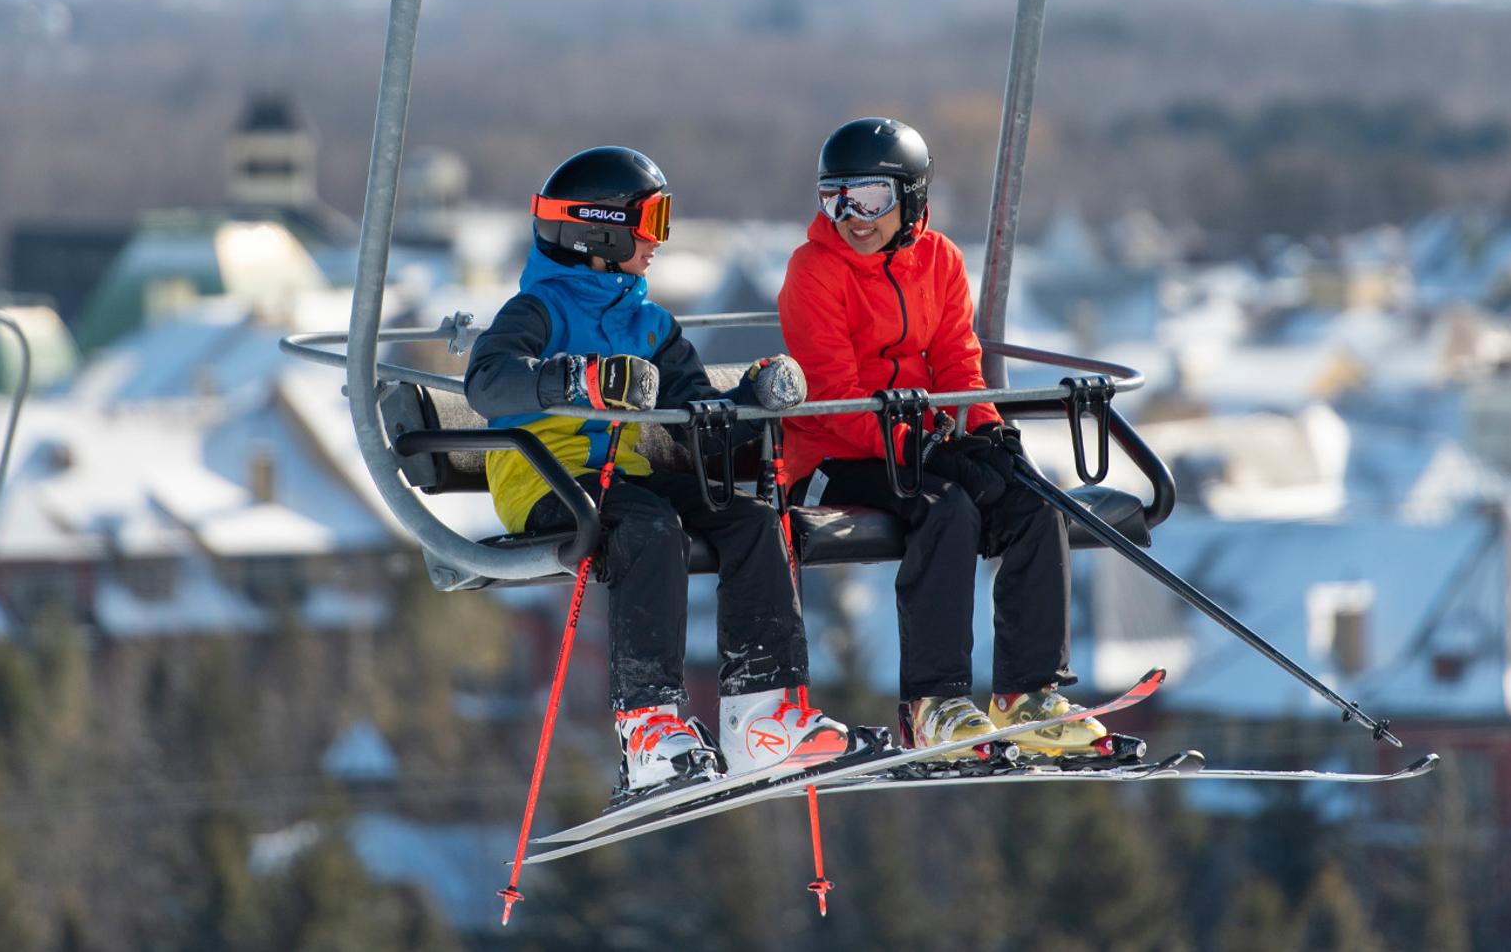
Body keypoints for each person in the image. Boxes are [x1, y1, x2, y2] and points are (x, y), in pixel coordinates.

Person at [467, 145, 849, 797]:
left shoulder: (649, 324)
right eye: (652, 221)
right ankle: (648, 727)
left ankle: (762, 717)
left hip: (625, 477)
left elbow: (692, 410)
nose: (659, 241)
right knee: (649, 527)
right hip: (548, 484)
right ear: (600, 230)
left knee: (752, 518)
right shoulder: (538, 312)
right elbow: (488, 382)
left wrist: (751, 400)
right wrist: (578, 380)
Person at [776, 117, 1105, 756]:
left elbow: (958, 363)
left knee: (1035, 501)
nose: (852, 215)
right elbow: (834, 395)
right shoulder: (813, 271)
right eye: (834, 197)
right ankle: (936, 702)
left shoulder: (941, 260)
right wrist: (929, 451)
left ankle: (1029, 693)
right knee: (945, 509)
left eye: (868, 198)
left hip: (919, 445)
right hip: (831, 453)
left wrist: (988, 435)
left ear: (911, 198)